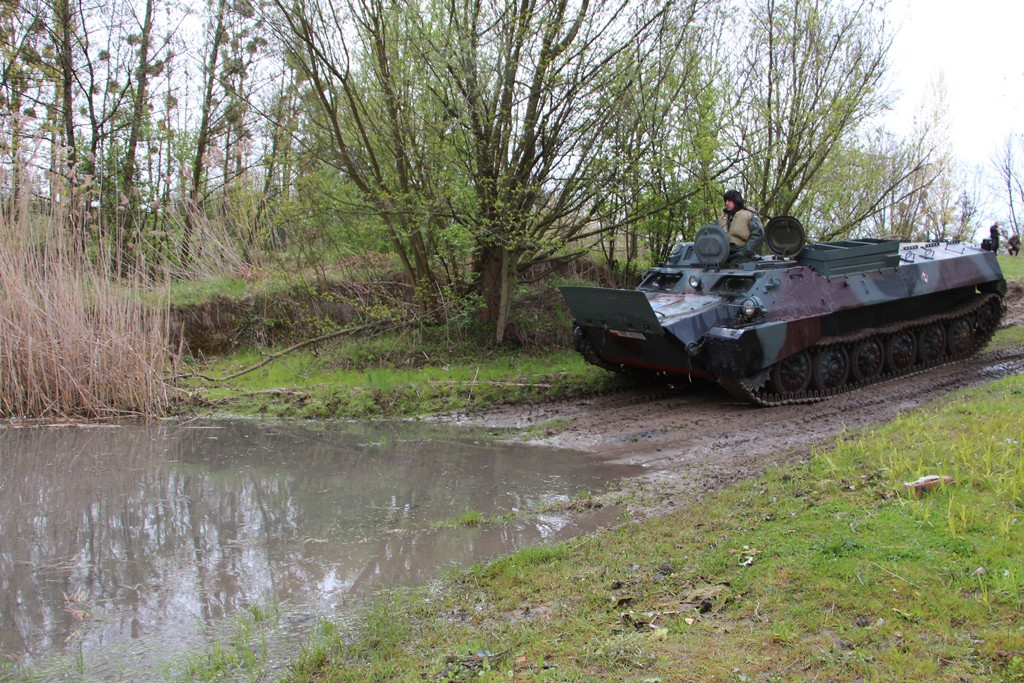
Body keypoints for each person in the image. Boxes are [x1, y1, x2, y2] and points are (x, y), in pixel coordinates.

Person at [717, 189, 764, 264]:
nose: (726, 203)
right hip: (723, 256)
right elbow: (711, 232)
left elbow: (758, 234)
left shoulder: (749, 215)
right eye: (725, 201)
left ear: (736, 201)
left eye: (729, 200)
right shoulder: (723, 217)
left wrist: (745, 252)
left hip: (743, 256)